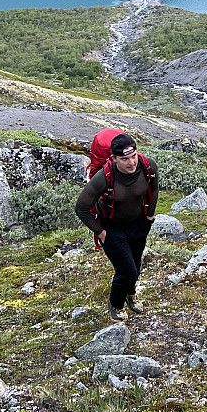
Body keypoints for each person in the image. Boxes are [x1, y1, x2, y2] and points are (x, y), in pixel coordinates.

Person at [75, 133, 159, 323]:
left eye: (133, 156)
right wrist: (101, 233)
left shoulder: (148, 165)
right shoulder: (104, 177)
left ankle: (130, 293)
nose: (131, 162)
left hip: (138, 223)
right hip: (112, 228)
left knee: (135, 266)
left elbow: (153, 188)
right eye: (124, 159)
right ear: (113, 158)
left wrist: (149, 215)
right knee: (126, 271)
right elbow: (81, 208)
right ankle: (116, 304)